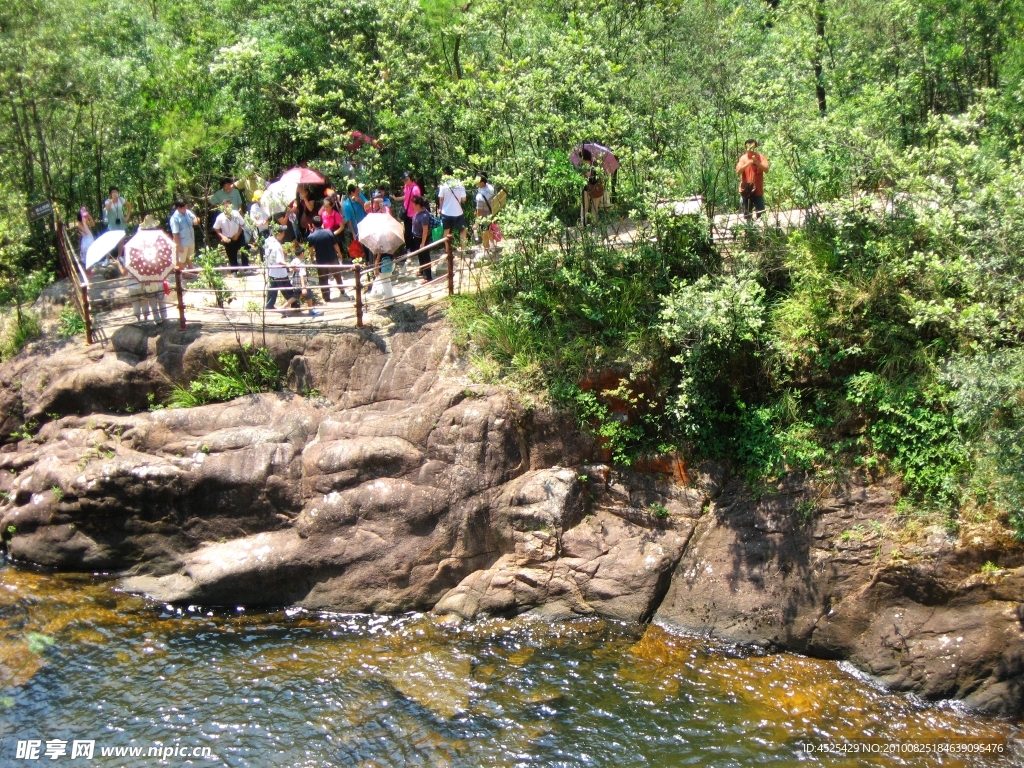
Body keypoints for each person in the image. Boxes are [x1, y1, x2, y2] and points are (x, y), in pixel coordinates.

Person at [306, 215, 348, 301]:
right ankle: (342, 290)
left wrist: (311, 258)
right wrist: (339, 253)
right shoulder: (329, 232)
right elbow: (335, 244)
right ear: (322, 223)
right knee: (337, 275)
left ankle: (326, 297)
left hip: (321, 260)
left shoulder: (311, 236)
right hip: (332, 258)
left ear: (313, 225)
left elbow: (310, 250)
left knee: (323, 278)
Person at [735, 139, 770, 220]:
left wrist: (757, 162)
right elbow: (738, 171)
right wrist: (747, 163)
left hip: (758, 191)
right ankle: (748, 231)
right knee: (747, 216)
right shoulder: (743, 158)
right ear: (746, 148)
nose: (750, 149)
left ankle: (762, 230)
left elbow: (766, 170)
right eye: (748, 147)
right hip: (747, 191)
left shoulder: (761, 157)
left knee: (761, 215)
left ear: (755, 147)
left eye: (752, 147)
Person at [437, 166, 467, 259]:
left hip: (446, 212)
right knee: (462, 231)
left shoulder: (443, 185)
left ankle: (448, 251)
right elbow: (464, 199)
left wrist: (440, 209)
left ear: (445, 174)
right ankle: (463, 250)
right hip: (458, 211)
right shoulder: (459, 183)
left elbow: (441, 199)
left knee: (446, 231)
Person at [283, 245, 321, 316]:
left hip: (295, 282)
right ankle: (310, 310)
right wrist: (304, 287)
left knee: (296, 296)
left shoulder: (293, 261)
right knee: (309, 294)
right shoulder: (301, 263)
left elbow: (290, 269)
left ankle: (283, 307)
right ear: (302, 253)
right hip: (302, 283)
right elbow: (302, 275)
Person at [212, 200, 249, 272]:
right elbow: (216, 228)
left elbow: (242, 224)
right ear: (223, 207)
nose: (228, 208)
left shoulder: (236, 214)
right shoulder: (220, 217)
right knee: (231, 254)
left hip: (239, 235)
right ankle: (235, 271)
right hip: (228, 238)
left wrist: (238, 234)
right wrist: (223, 237)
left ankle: (246, 268)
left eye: (229, 206)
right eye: (226, 206)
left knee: (244, 250)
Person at [263, 225, 292, 310]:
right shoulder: (277, 245)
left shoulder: (267, 240)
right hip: (279, 273)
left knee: (273, 289)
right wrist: (289, 265)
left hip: (271, 270)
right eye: (283, 232)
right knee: (287, 289)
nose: (284, 233)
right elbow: (280, 261)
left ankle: (269, 305)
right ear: (279, 233)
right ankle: (295, 304)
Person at [169, 199, 200, 269]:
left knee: (190, 256)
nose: (185, 209)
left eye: (186, 207)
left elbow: (196, 219)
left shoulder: (187, 212)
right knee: (181, 259)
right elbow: (175, 234)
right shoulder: (174, 218)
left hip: (191, 239)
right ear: (178, 208)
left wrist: (197, 220)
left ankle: (191, 268)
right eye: (183, 208)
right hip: (182, 242)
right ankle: (184, 273)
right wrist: (179, 246)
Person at [410, 194, 434, 282]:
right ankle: (422, 270)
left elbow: (425, 231)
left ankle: (428, 276)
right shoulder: (417, 212)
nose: (412, 205)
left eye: (413, 204)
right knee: (420, 255)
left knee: (425, 256)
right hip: (416, 237)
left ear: (418, 205)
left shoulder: (424, 215)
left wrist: (423, 243)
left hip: (422, 238)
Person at [103, 186, 133, 258]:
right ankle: (107, 259)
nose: (115, 193)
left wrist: (127, 216)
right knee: (110, 242)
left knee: (121, 241)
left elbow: (130, 206)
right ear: (110, 194)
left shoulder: (121, 199)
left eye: (116, 192)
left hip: (121, 223)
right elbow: (107, 208)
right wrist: (112, 200)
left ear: (118, 192)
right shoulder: (107, 201)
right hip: (112, 224)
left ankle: (119, 256)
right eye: (113, 192)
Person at [343, 183, 369, 259]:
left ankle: (369, 262)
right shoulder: (347, 205)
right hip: (356, 230)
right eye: (357, 191)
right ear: (352, 193)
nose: (359, 192)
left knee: (367, 247)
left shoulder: (360, 195)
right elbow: (349, 220)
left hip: (365, 226)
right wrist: (353, 232)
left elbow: (368, 206)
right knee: (359, 250)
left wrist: (360, 201)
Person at [401, 171, 422, 255]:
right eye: (404, 180)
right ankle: (409, 248)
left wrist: (416, 215)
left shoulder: (415, 189)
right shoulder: (406, 186)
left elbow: (418, 203)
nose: (405, 181)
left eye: (406, 179)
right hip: (406, 213)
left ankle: (415, 250)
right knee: (407, 232)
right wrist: (397, 198)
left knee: (414, 233)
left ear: (411, 178)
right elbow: (406, 197)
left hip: (413, 214)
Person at [474, 174, 496, 252]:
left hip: (484, 214)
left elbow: (479, 212)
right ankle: (492, 246)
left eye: (477, 181)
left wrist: (476, 224)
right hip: (491, 212)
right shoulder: (490, 187)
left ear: (482, 183)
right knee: (489, 229)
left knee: (484, 232)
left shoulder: (480, 196)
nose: (475, 183)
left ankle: (486, 250)